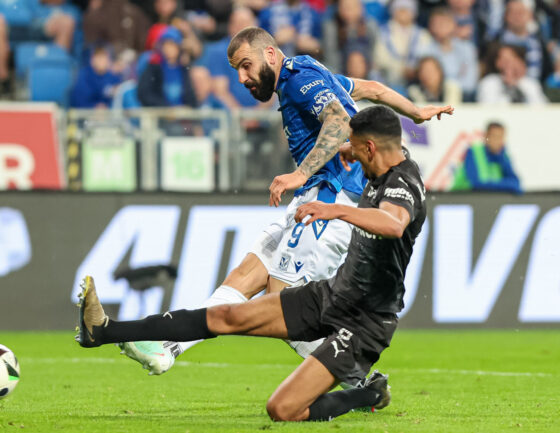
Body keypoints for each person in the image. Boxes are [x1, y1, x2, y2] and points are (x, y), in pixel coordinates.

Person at [117, 26, 452, 378]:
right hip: (316, 195)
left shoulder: (296, 81)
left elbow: (339, 121)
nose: (243, 77)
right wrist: (415, 112)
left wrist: (300, 174)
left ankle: (357, 380)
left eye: (246, 65)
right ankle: (170, 348)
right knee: (246, 275)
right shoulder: (311, 71)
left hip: (332, 195)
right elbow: (372, 89)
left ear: (271, 55)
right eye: (237, 70)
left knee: (280, 300)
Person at [76, 105, 427, 422]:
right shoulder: (385, 155)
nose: (356, 161)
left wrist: (334, 208)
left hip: (364, 322)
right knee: (226, 315)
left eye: (359, 151)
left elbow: (393, 224)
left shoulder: (404, 184)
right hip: (331, 296)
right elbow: (379, 135)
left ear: (372, 149)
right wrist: (348, 146)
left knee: (282, 409)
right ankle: (105, 331)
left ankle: (365, 393)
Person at [373, 0, 433, 90]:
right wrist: (400, 70)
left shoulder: (423, 34)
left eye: (407, 10)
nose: (404, 13)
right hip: (389, 81)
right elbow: (380, 59)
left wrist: (414, 69)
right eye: (400, 10)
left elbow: (426, 57)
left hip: (416, 81)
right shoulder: (383, 32)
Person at [423, 7, 478, 100]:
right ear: (430, 27)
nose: (441, 27)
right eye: (437, 23)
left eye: (444, 23)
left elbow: (470, 83)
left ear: (454, 25)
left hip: (464, 97)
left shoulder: (467, 48)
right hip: (434, 97)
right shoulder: (425, 50)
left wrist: (452, 87)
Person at [450, 121, 522, 193]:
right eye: (495, 136)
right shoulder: (473, 152)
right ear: (486, 137)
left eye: (501, 137)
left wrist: (494, 184)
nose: (498, 141)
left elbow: (516, 183)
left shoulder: (503, 156)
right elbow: (476, 184)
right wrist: (506, 185)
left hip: (487, 200)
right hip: (462, 199)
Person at [137, 26, 197, 108]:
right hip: (160, 115)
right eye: (166, 44)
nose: (169, 49)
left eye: (172, 44)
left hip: (181, 117)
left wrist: (186, 108)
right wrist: (167, 108)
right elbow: (145, 94)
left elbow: (190, 96)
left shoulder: (183, 69)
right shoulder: (154, 67)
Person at [322, 0, 378, 75]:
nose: (349, 11)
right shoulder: (331, 27)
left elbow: (373, 51)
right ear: (338, 8)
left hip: (366, 69)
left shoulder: (370, 25)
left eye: (353, 7)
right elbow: (330, 55)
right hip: (340, 69)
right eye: (345, 7)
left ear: (361, 8)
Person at [477, 44, 548, 103]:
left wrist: (515, 87)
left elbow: (542, 108)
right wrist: (508, 86)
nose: (505, 64)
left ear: (521, 62)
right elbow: (486, 107)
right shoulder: (490, 82)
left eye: (508, 60)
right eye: (502, 59)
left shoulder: (531, 84)